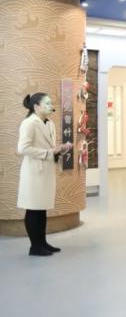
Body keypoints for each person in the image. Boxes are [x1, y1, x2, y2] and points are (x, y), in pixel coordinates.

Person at [17, 93, 72, 256]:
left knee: (41, 209)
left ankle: (42, 243)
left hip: (45, 170)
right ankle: (35, 247)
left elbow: (49, 148)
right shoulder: (29, 123)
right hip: (34, 172)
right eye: (47, 103)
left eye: (51, 103)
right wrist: (48, 152)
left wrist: (60, 149)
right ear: (36, 107)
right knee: (33, 209)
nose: (50, 106)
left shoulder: (50, 123)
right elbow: (23, 148)